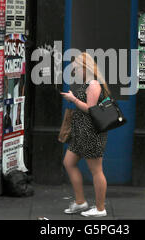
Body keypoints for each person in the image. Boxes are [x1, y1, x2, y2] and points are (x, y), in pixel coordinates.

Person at [60, 52, 110, 218]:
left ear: (85, 67)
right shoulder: (87, 83)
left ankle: (100, 208)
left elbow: (91, 109)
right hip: (80, 133)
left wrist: (73, 99)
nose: (75, 73)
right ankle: (81, 202)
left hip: (91, 133)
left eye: (76, 69)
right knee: (68, 162)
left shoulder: (94, 84)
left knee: (96, 170)